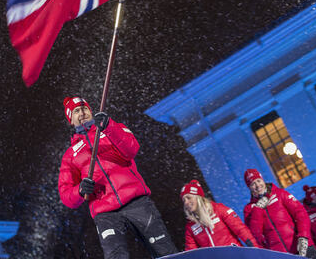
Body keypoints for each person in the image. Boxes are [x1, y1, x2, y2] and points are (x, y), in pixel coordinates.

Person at [57, 97, 177, 259]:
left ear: (91, 111)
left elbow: (132, 149)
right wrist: (79, 190)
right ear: (70, 120)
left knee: (163, 248)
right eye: (76, 111)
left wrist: (109, 127)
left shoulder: (112, 128)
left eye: (84, 108)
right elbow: (65, 195)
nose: (82, 113)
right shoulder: (70, 155)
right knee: (116, 256)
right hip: (105, 213)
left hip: (136, 201)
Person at [243, 168, 316, 258]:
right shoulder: (249, 209)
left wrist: (304, 237)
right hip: (280, 255)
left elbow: (301, 213)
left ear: (262, 180)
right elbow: (255, 235)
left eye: (258, 181)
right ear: (249, 187)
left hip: (301, 247)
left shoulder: (280, 194)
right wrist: (258, 209)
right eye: (252, 184)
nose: (257, 185)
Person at [181, 179, 258, 250]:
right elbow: (191, 253)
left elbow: (241, 230)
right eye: (184, 200)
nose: (186, 202)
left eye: (189, 198)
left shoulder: (219, 209)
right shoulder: (190, 227)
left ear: (198, 197)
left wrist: (255, 250)